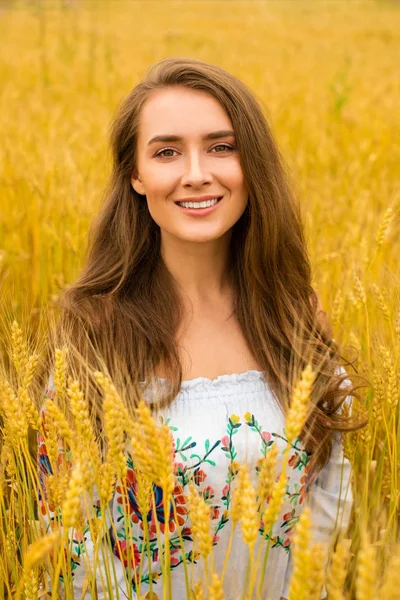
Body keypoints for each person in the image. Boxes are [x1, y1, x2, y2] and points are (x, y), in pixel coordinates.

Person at [37, 57, 365, 599]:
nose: (195, 172)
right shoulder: (92, 334)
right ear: (136, 176)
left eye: (221, 146)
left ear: (251, 163)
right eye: (167, 151)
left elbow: (328, 501)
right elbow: (70, 537)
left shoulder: (293, 317)